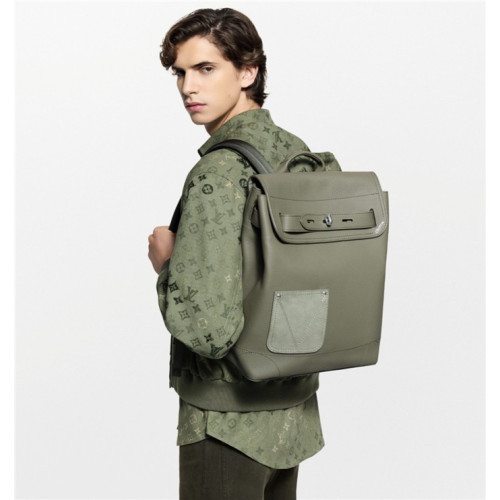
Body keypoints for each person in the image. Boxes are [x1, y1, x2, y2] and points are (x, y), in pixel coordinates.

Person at [148, 8, 325, 500]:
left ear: (248, 72)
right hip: (291, 410)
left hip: (226, 423)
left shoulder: (218, 172)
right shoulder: (295, 152)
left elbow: (207, 330)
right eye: (180, 72)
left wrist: (167, 264)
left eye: (206, 69)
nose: (188, 87)